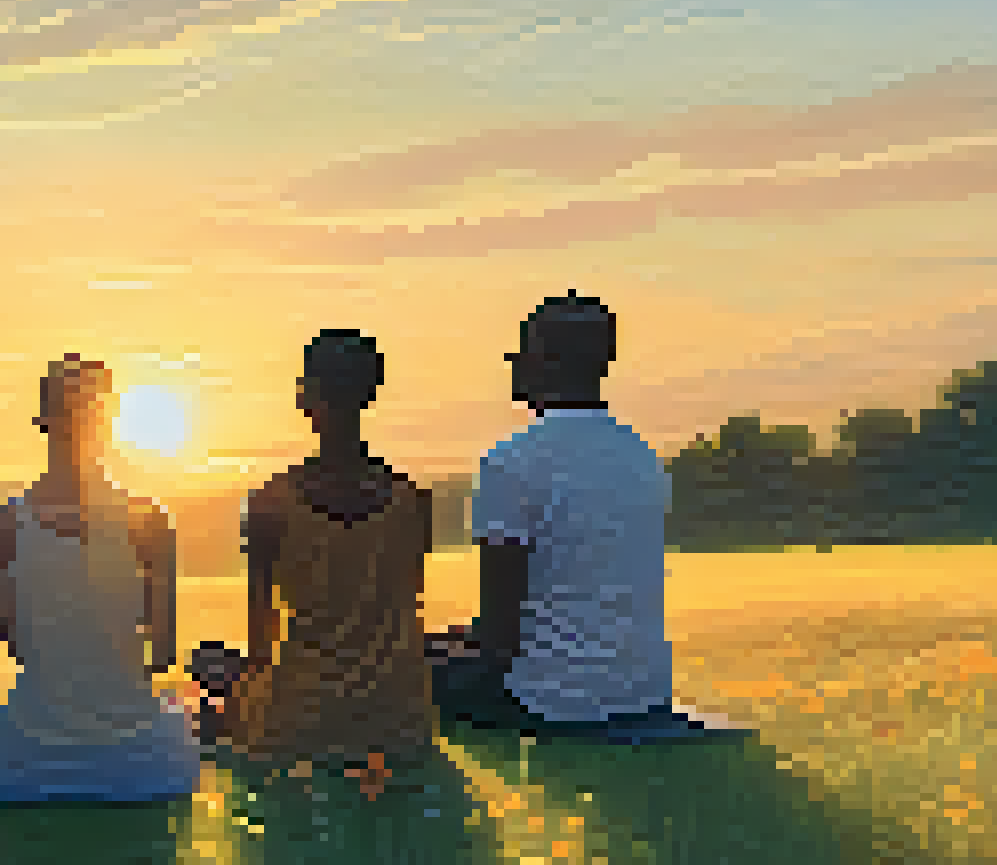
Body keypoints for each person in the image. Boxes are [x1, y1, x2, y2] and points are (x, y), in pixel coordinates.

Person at [431, 291, 739, 741]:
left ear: (545, 360)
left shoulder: (510, 460)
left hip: (549, 699)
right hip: (642, 691)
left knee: (379, 674)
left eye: (522, 350)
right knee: (431, 647)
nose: (512, 362)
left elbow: (499, 639)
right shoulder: (640, 456)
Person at [0, 355, 200, 804]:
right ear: (109, 421)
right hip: (141, 768)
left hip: (26, 767)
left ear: (42, 420)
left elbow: (18, 646)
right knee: (183, 709)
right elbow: (163, 653)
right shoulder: (149, 521)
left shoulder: (6, 524)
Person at [219, 330, 437, 768]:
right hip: (398, 720)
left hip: (302, 722)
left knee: (211, 662)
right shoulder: (411, 501)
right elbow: (407, 609)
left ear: (304, 399)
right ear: (371, 394)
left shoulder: (269, 504)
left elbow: (262, 643)